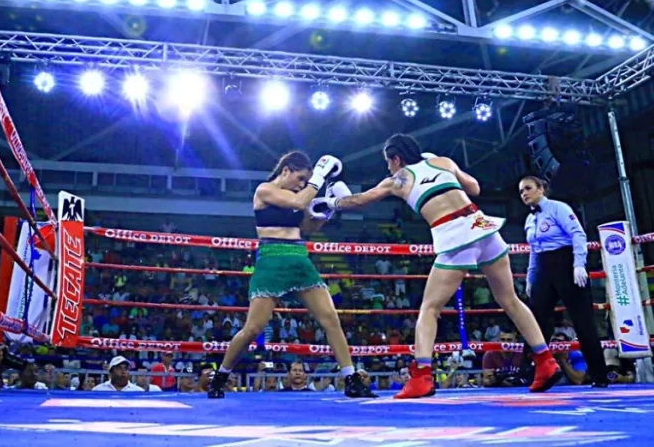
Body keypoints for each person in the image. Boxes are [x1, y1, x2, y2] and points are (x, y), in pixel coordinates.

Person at [316, 134, 561, 398]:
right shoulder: (442, 161)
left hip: (457, 235)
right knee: (510, 300)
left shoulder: (398, 179)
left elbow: (359, 200)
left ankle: (421, 376)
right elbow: (475, 188)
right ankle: (545, 360)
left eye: (388, 162)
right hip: (483, 227)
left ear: (396, 159)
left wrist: (331, 202)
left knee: (430, 308)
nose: (388, 167)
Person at [208, 151, 374, 399]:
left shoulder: (299, 197)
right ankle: (220, 377)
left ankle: (351, 379)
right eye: (300, 178)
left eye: (305, 181)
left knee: (330, 318)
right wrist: (318, 177)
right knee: (253, 328)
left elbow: (308, 226)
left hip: (299, 258)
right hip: (272, 259)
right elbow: (297, 202)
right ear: (286, 170)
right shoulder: (265, 190)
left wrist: (328, 209)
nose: (301, 185)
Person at [519, 175, 609, 387]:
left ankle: (599, 376)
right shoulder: (529, 219)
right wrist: (531, 278)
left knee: (583, 320)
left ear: (541, 189)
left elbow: (578, 234)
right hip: (543, 269)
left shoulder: (559, 208)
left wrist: (579, 264)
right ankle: (532, 374)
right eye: (521, 191)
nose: (524, 193)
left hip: (566, 263)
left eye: (528, 188)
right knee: (536, 321)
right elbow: (534, 250)